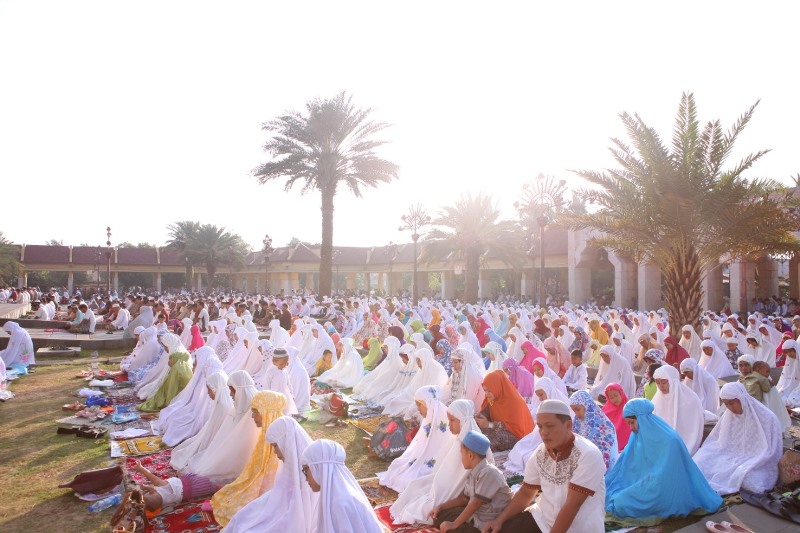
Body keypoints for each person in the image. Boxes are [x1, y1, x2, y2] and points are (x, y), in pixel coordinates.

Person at [483, 399, 606, 533]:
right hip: (542, 518)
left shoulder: (588, 454)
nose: (543, 432)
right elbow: (526, 492)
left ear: (568, 425)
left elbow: (572, 505)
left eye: (550, 426)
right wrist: (499, 521)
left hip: (577, 528)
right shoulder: (541, 451)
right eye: (540, 426)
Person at [605, 398, 722, 527]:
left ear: (642, 418)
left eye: (632, 422)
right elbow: (625, 463)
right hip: (643, 481)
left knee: (621, 502)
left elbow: (664, 477)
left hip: (662, 487)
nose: (631, 428)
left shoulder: (670, 440)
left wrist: (640, 487)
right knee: (608, 490)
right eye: (628, 424)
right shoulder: (638, 434)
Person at [389, 399, 491, 525]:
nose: (449, 425)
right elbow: (444, 470)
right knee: (415, 485)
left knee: (428, 508)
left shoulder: (470, 444)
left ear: (463, 420)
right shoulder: (458, 438)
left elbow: (454, 480)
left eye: (452, 421)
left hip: (464, 493)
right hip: (461, 491)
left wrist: (437, 495)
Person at [222, 416, 316, 533]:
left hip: (293, 512)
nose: (275, 452)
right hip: (283, 504)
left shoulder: (307, 467)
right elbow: (282, 491)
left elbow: (301, 512)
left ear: (286, 441)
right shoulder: (291, 461)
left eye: (276, 446)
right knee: (243, 517)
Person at [211, 391, 286, 526]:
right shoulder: (268, 432)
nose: (252, 416)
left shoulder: (281, 437)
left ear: (266, 412)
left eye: (255, 411)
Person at [694, 382, 783, 495]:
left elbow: (773, 451)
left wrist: (753, 460)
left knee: (752, 482)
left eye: (732, 403)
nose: (730, 408)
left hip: (757, 460)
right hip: (729, 455)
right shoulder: (728, 415)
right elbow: (718, 441)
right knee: (700, 460)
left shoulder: (767, 418)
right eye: (726, 404)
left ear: (742, 399)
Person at [429, 431, 511, 533]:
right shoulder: (474, 472)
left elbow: (475, 503)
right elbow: (464, 499)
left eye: (461, 453)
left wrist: (454, 524)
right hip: (475, 517)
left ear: (470, 455)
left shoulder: (489, 472)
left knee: (450, 528)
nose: (461, 458)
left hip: (486, 523)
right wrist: (440, 507)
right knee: (440, 516)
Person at [377, 386, 454, 493]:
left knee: (411, 479)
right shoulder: (429, 417)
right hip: (422, 457)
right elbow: (419, 444)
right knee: (397, 466)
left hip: (437, 462)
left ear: (428, 403)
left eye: (419, 404)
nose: (418, 408)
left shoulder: (447, 418)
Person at [300, 439, 384, 533]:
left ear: (319, 468)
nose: (305, 478)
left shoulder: (340, 504)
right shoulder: (334, 495)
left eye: (305, 471)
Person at [158, 347, 224, 446]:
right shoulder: (204, 373)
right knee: (170, 414)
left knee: (177, 424)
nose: (194, 366)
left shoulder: (212, 376)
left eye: (196, 363)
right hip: (193, 409)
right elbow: (192, 400)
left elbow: (203, 406)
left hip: (200, 414)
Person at [170, 371, 234, 471]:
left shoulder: (223, 406)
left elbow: (215, 433)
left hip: (218, 443)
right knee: (180, 451)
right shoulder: (221, 402)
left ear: (215, 389)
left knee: (185, 457)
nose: (208, 393)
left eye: (209, 390)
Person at [651, 365, 705, 455]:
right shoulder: (656, 400)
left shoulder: (690, 399)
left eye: (664, 382)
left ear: (672, 381)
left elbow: (692, 430)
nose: (660, 386)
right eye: (658, 382)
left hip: (683, 442)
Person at [476, 371, 534, 451]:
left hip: (515, 435)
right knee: (475, 433)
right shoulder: (492, 399)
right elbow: (485, 413)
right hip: (496, 429)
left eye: (489, 391)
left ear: (497, 387)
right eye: (485, 390)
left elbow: (513, 429)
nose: (487, 394)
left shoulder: (515, 402)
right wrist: (479, 418)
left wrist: (488, 424)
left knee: (488, 444)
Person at [132, 460, 217, 513]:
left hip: (196, 491)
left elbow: (158, 496)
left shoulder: (165, 504)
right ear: (151, 492)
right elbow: (151, 477)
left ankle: (221, 487)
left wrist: (147, 488)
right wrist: (140, 468)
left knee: (214, 487)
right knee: (188, 469)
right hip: (192, 482)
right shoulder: (161, 485)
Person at [137, 336, 194, 412]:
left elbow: (173, 386)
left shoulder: (177, 360)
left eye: (166, 347)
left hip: (180, 389)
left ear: (170, 345)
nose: (165, 349)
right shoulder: (176, 354)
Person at [569, 390, 618, 470]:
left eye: (577, 409)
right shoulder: (578, 421)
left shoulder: (602, 424)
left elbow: (604, 452)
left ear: (586, 405)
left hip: (598, 466)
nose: (576, 413)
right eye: (574, 410)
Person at [602, 383, 632, 451]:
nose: (615, 399)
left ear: (621, 393)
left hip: (625, 448)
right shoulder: (605, 410)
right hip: (608, 445)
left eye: (616, 395)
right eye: (611, 397)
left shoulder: (629, 408)